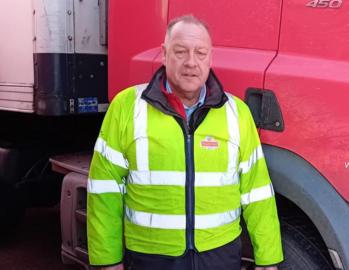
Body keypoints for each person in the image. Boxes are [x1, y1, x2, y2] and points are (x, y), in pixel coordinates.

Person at [87, 15, 283, 270]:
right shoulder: (126, 107)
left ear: (210, 58)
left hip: (219, 257)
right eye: (180, 52)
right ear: (164, 53)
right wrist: (107, 261)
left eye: (201, 53)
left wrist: (268, 261)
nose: (191, 62)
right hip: (152, 258)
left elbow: (257, 193)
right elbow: (105, 188)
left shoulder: (238, 113)